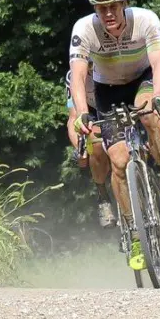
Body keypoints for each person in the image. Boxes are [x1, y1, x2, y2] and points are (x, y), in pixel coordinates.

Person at [68, 0, 160, 271]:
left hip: (140, 81)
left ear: (125, 3)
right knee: (118, 161)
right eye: (101, 8)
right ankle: (134, 233)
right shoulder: (84, 28)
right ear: (94, 9)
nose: (107, 13)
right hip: (105, 90)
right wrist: (82, 112)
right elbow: (78, 75)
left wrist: (159, 96)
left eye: (114, 6)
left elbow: (159, 62)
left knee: (149, 113)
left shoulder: (146, 20)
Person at [64, 66, 116, 228]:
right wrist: (80, 149)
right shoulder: (73, 76)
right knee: (97, 146)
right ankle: (103, 198)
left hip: (117, 103)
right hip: (92, 112)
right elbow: (73, 118)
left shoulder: (113, 63)